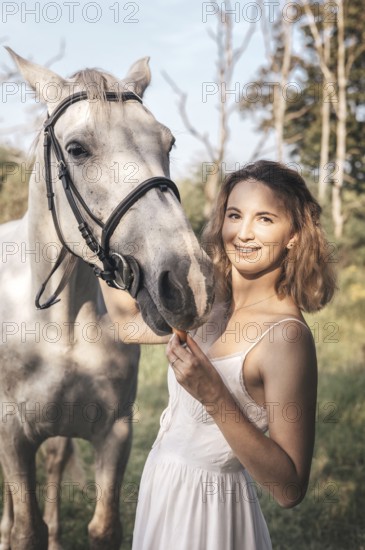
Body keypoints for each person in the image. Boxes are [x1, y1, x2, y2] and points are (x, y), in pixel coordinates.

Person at [101, 160, 336, 550]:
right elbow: (128, 324)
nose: (243, 233)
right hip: (162, 488)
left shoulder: (286, 338)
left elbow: (289, 488)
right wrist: (103, 250)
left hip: (210, 513)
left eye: (264, 219)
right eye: (234, 214)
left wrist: (213, 395)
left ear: (294, 234)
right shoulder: (211, 301)